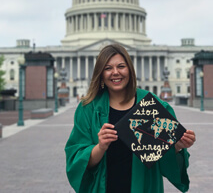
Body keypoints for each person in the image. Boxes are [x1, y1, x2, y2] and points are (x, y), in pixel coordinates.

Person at [65, 43, 196, 193]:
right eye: (108, 68)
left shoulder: (152, 105)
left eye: (121, 66)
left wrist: (178, 146)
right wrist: (100, 147)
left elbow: (166, 162)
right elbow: (76, 160)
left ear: (130, 69)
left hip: (144, 188)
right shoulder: (88, 109)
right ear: (100, 73)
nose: (115, 72)